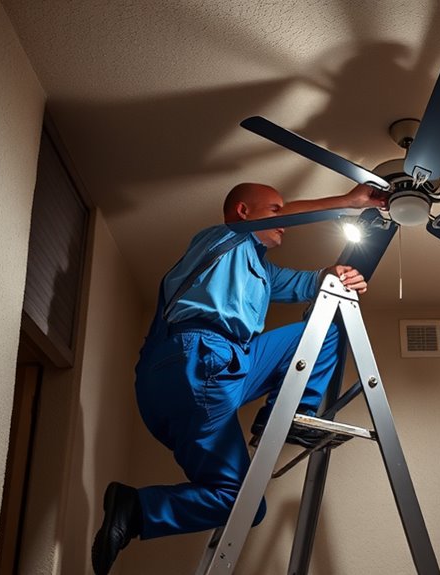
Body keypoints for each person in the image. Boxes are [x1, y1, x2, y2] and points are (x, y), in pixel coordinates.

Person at [91, 182, 386, 574]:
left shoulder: (261, 272)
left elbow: (307, 283)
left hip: (203, 377)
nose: (284, 222)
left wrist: (334, 276)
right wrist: (349, 201)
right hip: (197, 359)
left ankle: (137, 510)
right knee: (242, 498)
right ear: (244, 213)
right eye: (276, 211)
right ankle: (293, 414)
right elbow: (273, 223)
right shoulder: (222, 240)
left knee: (242, 503)